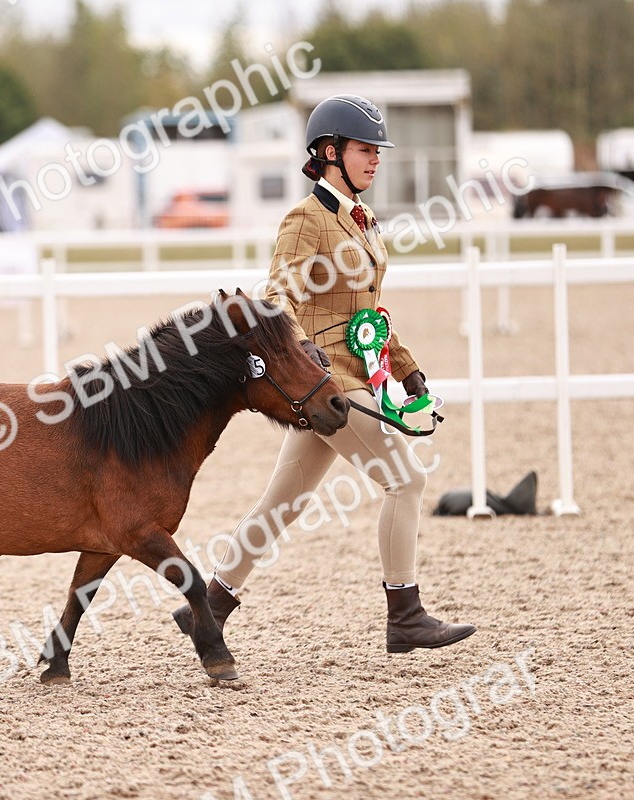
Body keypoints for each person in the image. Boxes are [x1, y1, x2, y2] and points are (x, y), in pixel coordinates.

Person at [173, 95, 476, 654]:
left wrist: (406, 368)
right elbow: (277, 297)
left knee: (281, 502)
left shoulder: (361, 220)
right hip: (331, 383)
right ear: (329, 152)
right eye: (365, 150)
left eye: (377, 151)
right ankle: (404, 615)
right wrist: (307, 360)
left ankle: (208, 608)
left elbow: (367, 312)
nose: (375, 160)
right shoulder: (305, 220)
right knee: (405, 480)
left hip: (361, 371)